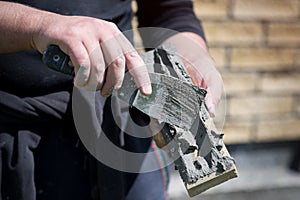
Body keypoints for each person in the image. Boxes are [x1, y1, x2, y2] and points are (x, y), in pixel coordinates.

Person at [0, 0, 223, 199]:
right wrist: (38, 26)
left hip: (120, 123)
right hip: (12, 131)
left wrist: (194, 57)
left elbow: (169, 11)